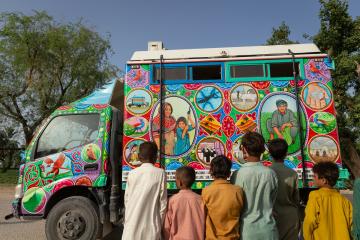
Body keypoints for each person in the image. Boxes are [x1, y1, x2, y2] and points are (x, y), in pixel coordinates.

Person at [231, 132, 278, 240]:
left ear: (244, 150)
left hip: (246, 231)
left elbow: (236, 204)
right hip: (269, 230)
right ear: (262, 150)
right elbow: (272, 200)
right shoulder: (271, 173)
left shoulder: (237, 174)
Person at [122, 141, 167, 240]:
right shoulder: (160, 173)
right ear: (156, 157)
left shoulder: (132, 174)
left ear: (139, 156)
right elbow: (163, 204)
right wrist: (159, 224)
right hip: (151, 230)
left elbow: (127, 200)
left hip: (130, 229)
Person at [303, 161, 352, 240]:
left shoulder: (315, 196)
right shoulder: (344, 201)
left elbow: (309, 221)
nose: (313, 178)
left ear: (323, 180)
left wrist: (308, 237)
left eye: (314, 176)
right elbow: (351, 224)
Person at [202, 155, 244, 239]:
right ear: (229, 173)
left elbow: (203, 217)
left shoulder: (206, 191)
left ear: (211, 172)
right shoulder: (238, 191)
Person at [268, 139, 300, 240]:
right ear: (286, 154)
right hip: (290, 218)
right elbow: (296, 199)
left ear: (270, 154)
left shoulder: (267, 173)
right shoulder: (292, 174)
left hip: (272, 217)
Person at [163, 166, 205, 240]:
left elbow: (166, 227)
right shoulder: (201, 200)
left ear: (180, 182)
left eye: (175, 178)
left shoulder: (172, 200)